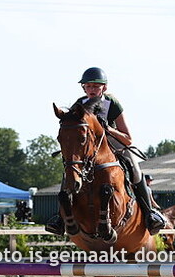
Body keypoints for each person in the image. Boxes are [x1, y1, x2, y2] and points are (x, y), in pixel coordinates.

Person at [46, 67, 167, 236]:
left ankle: (149, 214)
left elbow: (128, 138)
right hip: (90, 147)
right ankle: (60, 218)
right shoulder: (79, 104)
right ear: (84, 88)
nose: (92, 89)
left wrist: (108, 129)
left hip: (113, 143)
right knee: (70, 170)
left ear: (104, 87)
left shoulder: (112, 104)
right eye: (88, 86)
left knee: (135, 170)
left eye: (96, 86)